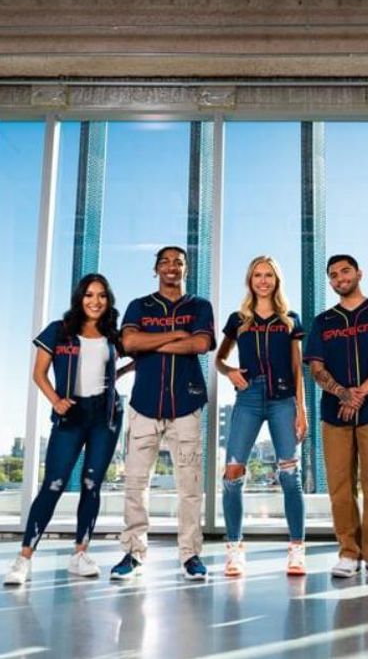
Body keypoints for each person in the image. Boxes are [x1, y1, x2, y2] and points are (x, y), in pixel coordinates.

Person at [5, 274, 129, 584]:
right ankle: (23, 559)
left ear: (108, 300)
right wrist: (56, 401)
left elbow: (121, 366)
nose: (95, 301)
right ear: (79, 298)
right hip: (71, 412)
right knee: (55, 484)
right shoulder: (59, 331)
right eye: (89, 295)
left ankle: (80, 554)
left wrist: (121, 373)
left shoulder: (113, 335)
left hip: (105, 415)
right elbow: (39, 372)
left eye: (101, 295)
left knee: (91, 484)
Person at [111, 246, 216, 581]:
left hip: (186, 404)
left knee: (189, 486)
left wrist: (149, 342)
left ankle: (190, 555)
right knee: (135, 484)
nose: (172, 267)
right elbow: (128, 343)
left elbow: (199, 345)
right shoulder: (139, 306)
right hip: (144, 404)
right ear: (155, 269)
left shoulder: (199, 306)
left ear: (186, 269)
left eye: (178, 262)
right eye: (165, 262)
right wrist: (173, 335)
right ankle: (133, 552)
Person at [303, 254, 368, 581]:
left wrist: (358, 393)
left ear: (359, 273)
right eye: (333, 275)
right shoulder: (323, 321)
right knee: (340, 485)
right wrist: (341, 393)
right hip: (334, 414)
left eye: (345, 271)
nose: (339, 278)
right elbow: (315, 367)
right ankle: (348, 552)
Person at [215, 256, 308, 577]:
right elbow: (219, 359)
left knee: (289, 476)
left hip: (283, 399)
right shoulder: (238, 319)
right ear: (250, 280)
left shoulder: (290, 320)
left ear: (277, 280)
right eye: (257, 275)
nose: (263, 281)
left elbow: (298, 368)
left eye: (269, 275)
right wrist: (230, 372)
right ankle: (235, 549)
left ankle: (297, 550)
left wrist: (301, 409)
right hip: (249, 398)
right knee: (232, 473)